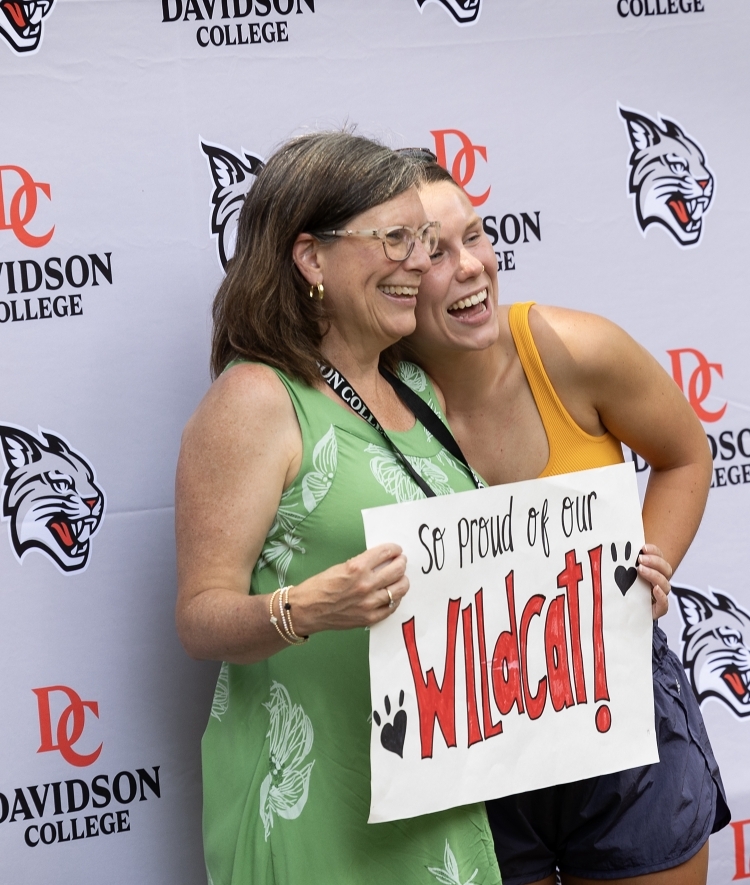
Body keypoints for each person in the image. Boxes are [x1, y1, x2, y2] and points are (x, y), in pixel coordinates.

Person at [174, 133, 502, 885]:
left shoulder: (420, 388)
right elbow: (199, 617)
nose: (422, 262)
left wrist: (598, 586)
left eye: (424, 240)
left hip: (436, 798)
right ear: (311, 257)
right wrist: (304, 608)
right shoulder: (256, 398)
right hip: (317, 803)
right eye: (396, 238)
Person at [397, 153, 730, 885]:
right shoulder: (361, 405)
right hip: (470, 747)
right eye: (434, 252)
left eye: (476, 236)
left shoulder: (575, 349)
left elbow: (684, 454)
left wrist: (657, 561)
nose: (472, 266)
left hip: (619, 712)